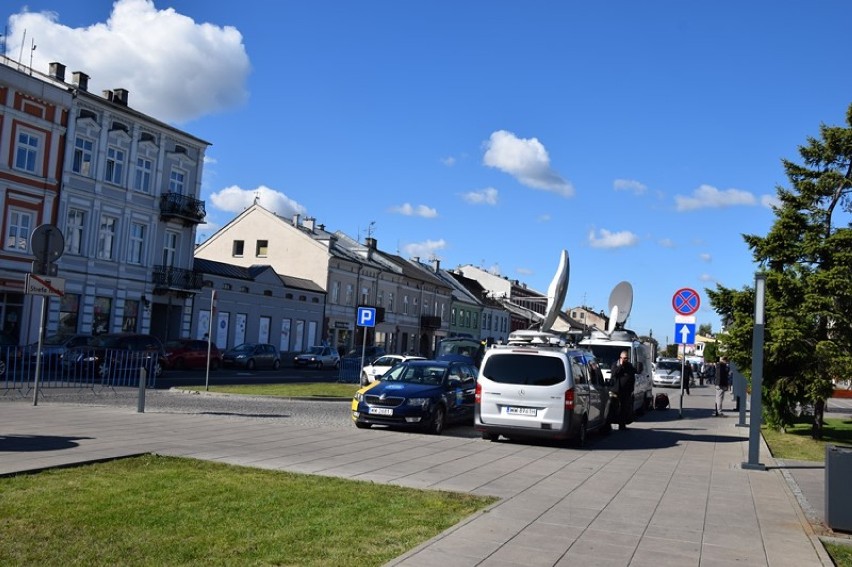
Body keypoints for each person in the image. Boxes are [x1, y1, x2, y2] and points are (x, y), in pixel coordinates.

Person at [610, 350, 637, 430]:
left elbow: (633, 375)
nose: (625, 360)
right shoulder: (616, 365)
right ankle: (611, 423)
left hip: (626, 391)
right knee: (615, 407)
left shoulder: (629, 366)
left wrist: (632, 389)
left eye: (626, 358)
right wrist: (621, 365)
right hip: (616, 391)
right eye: (624, 358)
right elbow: (614, 374)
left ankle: (622, 425)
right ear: (620, 358)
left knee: (624, 408)